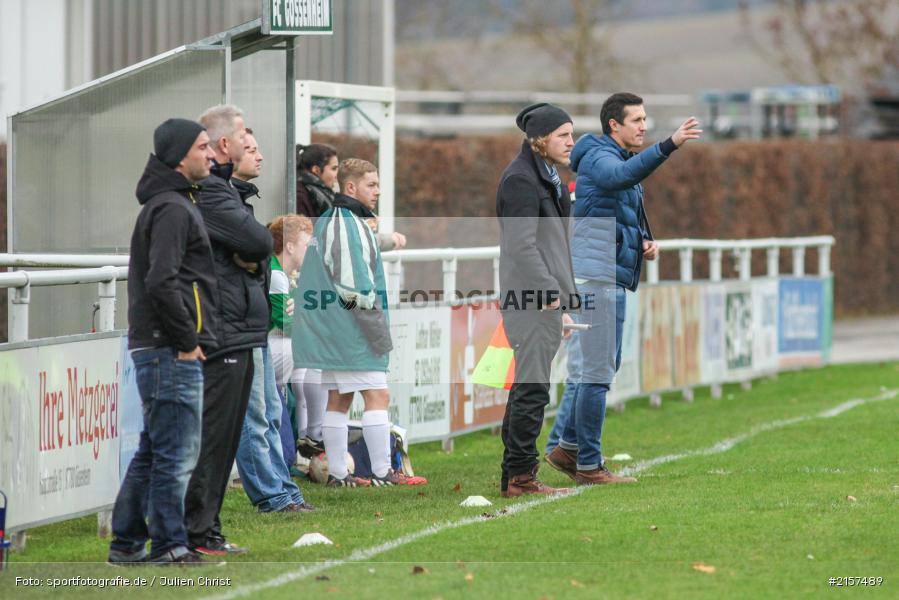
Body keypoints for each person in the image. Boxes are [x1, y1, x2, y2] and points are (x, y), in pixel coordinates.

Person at [545, 92, 701, 486]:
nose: (644, 126)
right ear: (614, 125)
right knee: (596, 371)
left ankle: (567, 447)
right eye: (637, 120)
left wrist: (644, 240)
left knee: (596, 368)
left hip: (606, 272)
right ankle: (589, 465)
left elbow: (621, 206)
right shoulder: (600, 155)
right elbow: (618, 180)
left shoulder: (616, 156)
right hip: (595, 277)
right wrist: (670, 145)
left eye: (646, 119)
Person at [108, 118, 219, 565]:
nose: (211, 154)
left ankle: (127, 543)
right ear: (179, 156)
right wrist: (186, 339)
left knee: (154, 449)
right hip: (170, 348)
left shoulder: (171, 203)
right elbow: (162, 280)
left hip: (159, 345)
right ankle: (170, 545)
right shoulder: (172, 208)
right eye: (203, 146)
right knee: (175, 453)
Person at [292, 158, 426, 488]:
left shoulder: (332, 220)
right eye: (371, 185)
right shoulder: (346, 224)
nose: (377, 191)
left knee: (339, 398)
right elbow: (355, 292)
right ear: (351, 187)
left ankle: (339, 474)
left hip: (331, 327)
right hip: (349, 329)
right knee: (378, 396)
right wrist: (377, 333)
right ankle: (383, 473)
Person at [184, 105, 273, 556]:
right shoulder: (212, 194)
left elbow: (256, 248)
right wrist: (253, 250)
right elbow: (260, 242)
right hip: (221, 331)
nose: (249, 143)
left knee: (226, 438)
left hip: (239, 329)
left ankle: (206, 530)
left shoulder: (225, 192)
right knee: (214, 441)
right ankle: (197, 533)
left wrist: (253, 251)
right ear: (225, 145)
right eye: (243, 137)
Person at [496, 103, 578, 498]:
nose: (571, 142)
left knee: (529, 388)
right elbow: (521, 245)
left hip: (544, 297)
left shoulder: (547, 175)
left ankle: (518, 472)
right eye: (564, 135)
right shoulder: (520, 180)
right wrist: (549, 292)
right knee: (532, 389)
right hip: (530, 298)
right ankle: (519, 478)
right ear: (540, 140)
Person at [231, 129, 313, 513]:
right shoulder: (221, 202)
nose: (260, 156)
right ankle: (273, 495)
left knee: (271, 411)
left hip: (256, 327)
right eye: (251, 149)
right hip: (242, 329)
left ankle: (283, 490)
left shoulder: (241, 201)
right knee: (256, 416)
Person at [295, 143, 338, 217]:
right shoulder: (300, 197)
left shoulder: (317, 193)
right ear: (316, 170)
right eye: (334, 169)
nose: (336, 175)